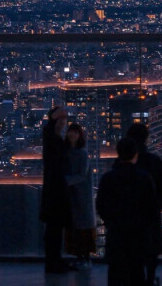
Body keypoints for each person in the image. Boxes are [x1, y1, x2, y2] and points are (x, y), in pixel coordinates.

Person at [96, 137, 158, 286]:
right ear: (135, 154)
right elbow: (152, 207)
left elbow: (101, 205)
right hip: (138, 234)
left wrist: (110, 221)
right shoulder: (144, 178)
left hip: (116, 233)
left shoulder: (108, 178)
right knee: (136, 272)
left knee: (115, 273)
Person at [127, 122, 162, 286]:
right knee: (150, 252)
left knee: (133, 251)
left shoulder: (124, 163)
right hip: (151, 214)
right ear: (146, 138)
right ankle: (149, 279)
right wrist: (157, 208)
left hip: (129, 216)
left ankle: (135, 280)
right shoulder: (155, 161)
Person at [40, 105, 71, 274]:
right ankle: (54, 262)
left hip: (54, 187)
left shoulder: (53, 137)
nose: (64, 122)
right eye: (62, 119)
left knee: (55, 228)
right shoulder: (53, 137)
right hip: (55, 189)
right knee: (55, 228)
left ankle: (54, 260)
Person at [64, 123, 96, 271]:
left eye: (75, 132)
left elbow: (82, 175)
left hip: (82, 196)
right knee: (77, 228)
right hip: (72, 195)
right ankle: (80, 258)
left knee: (82, 228)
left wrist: (65, 181)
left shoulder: (82, 154)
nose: (72, 135)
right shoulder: (67, 152)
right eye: (71, 132)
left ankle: (85, 258)